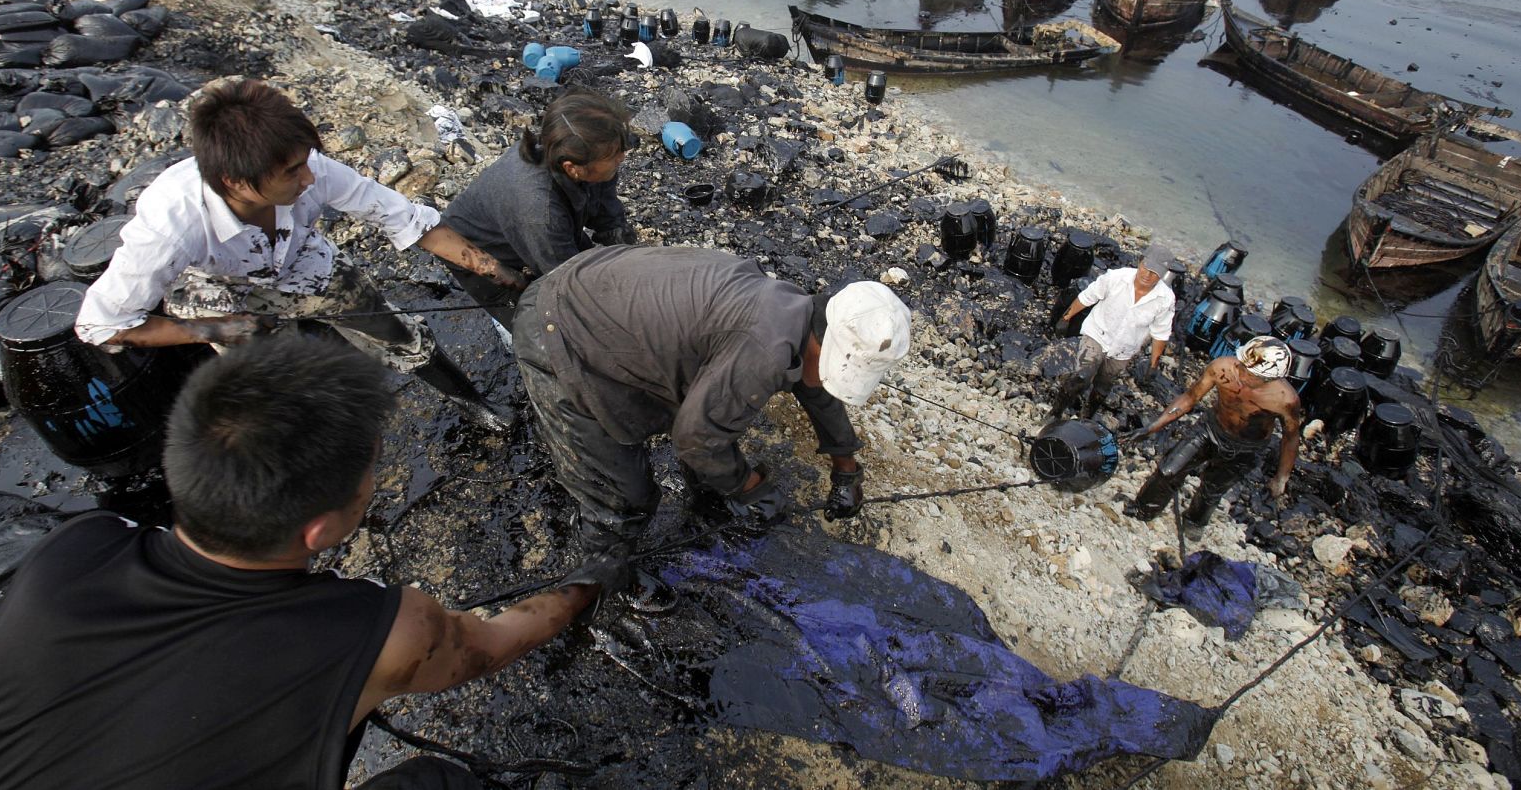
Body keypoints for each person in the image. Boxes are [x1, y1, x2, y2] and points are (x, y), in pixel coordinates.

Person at [0, 336, 622, 790]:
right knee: (439, 782)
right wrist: (583, 586)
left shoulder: (71, 553)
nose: (374, 482)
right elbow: (496, 643)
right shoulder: (386, 633)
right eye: (369, 474)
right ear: (319, 530)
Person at [75, 78, 524, 427]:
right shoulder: (170, 226)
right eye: (292, 172)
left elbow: (404, 218)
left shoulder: (307, 168)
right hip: (215, 289)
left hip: (299, 259)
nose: (310, 180)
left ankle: (471, 401)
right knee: (276, 378)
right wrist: (222, 327)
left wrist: (495, 270)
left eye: (307, 161)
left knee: (392, 328)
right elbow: (102, 324)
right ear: (234, 180)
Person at [511, 246, 912, 611]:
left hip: (596, 293)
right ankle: (604, 583)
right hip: (557, 330)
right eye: (834, 368)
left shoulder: (795, 309)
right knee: (624, 494)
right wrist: (750, 486)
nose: (827, 380)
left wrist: (846, 467)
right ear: (824, 343)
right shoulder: (763, 350)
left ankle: (702, 486)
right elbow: (697, 440)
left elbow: (817, 391)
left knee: (705, 415)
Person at [440, 91, 635, 332]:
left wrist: (621, 243)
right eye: (615, 157)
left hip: (532, 226)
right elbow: (566, 278)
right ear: (573, 168)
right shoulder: (540, 212)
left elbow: (605, 204)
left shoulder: (588, 153)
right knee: (544, 329)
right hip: (475, 248)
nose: (622, 158)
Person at [1125, 336, 1316, 531]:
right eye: (1242, 366)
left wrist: (1281, 478)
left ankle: (1194, 521)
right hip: (1210, 428)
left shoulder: (1285, 399)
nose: (1241, 374)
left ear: (1268, 379)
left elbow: (1291, 437)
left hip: (1246, 448)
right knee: (1168, 470)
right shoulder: (1221, 368)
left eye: (1250, 374)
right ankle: (1143, 510)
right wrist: (1153, 427)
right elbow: (1190, 398)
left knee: (1212, 489)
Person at [1052, 244, 1177, 420]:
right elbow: (1088, 297)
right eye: (1146, 268)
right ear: (1140, 262)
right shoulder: (1116, 278)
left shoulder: (1165, 299)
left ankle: (1087, 416)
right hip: (1098, 334)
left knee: (1102, 387)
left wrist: (1153, 364)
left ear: (1163, 274)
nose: (1148, 275)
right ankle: (1056, 411)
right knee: (1082, 376)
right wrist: (1065, 319)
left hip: (1123, 350)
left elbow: (1161, 333)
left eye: (1155, 273)